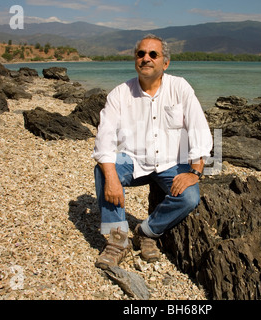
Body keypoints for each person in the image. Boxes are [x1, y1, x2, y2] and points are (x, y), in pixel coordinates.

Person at [93, 34, 213, 270]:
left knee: (190, 197)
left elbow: (199, 128)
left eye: (153, 54)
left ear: (165, 63)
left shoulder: (180, 87)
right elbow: (104, 138)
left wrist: (195, 172)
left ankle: (146, 231)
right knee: (104, 169)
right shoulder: (120, 93)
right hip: (134, 161)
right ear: (135, 60)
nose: (146, 58)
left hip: (171, 163)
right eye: (141, 54)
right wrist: (111, 178)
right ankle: (117, 240)